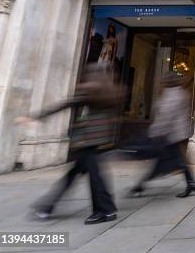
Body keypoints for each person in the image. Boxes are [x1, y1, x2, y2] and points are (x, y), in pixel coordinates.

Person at [14, 64, 123, 225]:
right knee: (78, 175)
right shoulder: (109, 90)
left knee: (91, 177)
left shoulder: (88, 88)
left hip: (87, 139)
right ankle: (47, 207)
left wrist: (35, 117)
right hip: (99, 137)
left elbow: (65, 104)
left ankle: (104, 211)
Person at [129, 72, 195, 198]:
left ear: (169, 81)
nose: (162, 82)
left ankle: (140, 185)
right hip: (174, 134)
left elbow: (167, 116)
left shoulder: (172, 94)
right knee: (173, 161)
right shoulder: (179, 92)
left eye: (164, 80)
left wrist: (155, 132)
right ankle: (191, 184)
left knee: (170, 161)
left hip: (170, 134)